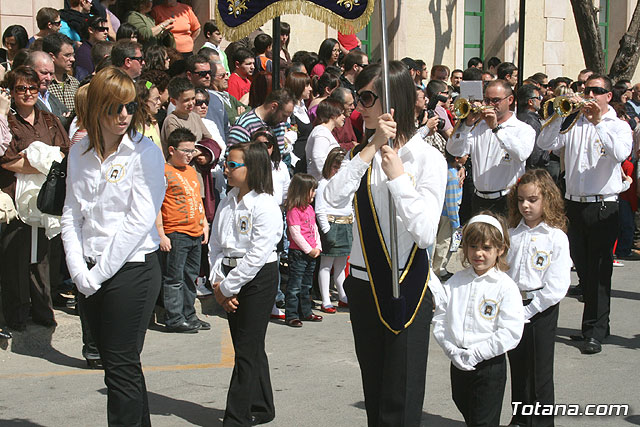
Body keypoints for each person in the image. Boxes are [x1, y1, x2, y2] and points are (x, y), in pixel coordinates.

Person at [324, 61, 447, 426]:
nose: (358, 106)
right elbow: (330, 200)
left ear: (395, 101)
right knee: (376, 392)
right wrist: (370, 150)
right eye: (358, 97)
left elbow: (425, 232)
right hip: (363, 284)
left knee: (401, 395)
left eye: (366, 97)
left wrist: (398, 179)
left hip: (405, 284)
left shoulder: (428, 160)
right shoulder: (361, 156)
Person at [61, 66, 165, 425]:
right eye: (114, 107)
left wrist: (98, 274)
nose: (123, 115)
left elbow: (139, 221)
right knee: (119, 367)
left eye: (130, 107)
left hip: (132, 269)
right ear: (97, 108)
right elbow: (71, 215)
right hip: (88, 270)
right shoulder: (78, 154)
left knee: (119, 367)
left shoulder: (145, 153)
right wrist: (78, 271)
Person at [537, 74, 632, 354]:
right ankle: (599, 323)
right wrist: (558, 115)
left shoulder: (618, 126)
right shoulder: (573, 121)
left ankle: (593, 330)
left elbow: (619, 153)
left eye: (595, 90)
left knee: (600, 269)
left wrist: (597, 123)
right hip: (574, 204)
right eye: (585, 89)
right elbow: (545, 144)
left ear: (608, 96)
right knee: (583, 267)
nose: (588, 94)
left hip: (604, 204)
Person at [209, 141, 282, 426]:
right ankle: (262, 406)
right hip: (228, 275)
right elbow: (216, 246)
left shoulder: (265, 205)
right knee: (247, 345)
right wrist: (218, 282)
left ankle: (236, 418)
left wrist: (226, 289)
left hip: (257, 278)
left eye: (232, 164)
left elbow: (256, 255)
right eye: (226, 163)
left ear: (251, 169)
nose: (226, 169)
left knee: (246, 349)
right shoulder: (228, 200)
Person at [431, 212, 524, 427]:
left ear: (500, 250)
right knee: (466, 407)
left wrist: (477, 354)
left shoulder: (505, 286)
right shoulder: (455, 282)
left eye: (486, 248)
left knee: (483, 420)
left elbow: (510, 331)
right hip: (459, 360)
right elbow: (441, 318)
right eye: (473, 247)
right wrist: (450, 349)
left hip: (488, 364)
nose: (478, 253)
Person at [0, 66, 70, 332]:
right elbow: (7, 160)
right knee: (14, 256)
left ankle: (42, 309)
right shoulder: (6, 119)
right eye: (21, 88)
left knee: (42, 257)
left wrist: (43, 164)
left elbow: (63, 152)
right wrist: (41, 164)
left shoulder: (49, 119)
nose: (28, 93)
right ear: (12, 91)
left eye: (32, 87)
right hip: (14, 196)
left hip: (44, 198)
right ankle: (16, 315)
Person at [506, 168, 571, 427]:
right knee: (518, 368)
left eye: (532, 200)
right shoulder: (512, 233)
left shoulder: (555, 237)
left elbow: (557, 285)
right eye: (521, 199)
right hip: (513, 307)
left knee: (540, 373)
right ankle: (520, 418)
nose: (525, 205)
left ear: (547, 199)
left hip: (541, 309)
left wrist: (528, 312)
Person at [447, 79, 535, 216]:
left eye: (495, 100)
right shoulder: (477, 127)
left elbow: (521, 154)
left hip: (507, 200)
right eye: (487, 100)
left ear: (510, 99)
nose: (490, 105)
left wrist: (496, 128)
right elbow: (454, 151)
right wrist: (467, 125)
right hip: (479, 200)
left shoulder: (523, 129)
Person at [156, 127, 210, 333]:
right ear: (171, 150)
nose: (190, 155)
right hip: (176, 232)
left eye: (192, 150)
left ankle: (189, 314)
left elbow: (197, 199)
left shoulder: (190, 171)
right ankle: (175, 318)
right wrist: (161, 234)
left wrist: (204, 223)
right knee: (174, 278)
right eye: (185, 151)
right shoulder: (164, 171)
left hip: (195, 231)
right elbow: (157, 206)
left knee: (190, 277)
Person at [251, 128, 289, 317]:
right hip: (253, 219)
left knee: (274, 261)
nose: (263, 148)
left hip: (275, 219)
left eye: (267, 145)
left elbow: (286, 193)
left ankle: (273, 302)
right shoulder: (248, 165)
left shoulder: (280, 167)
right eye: (258, 144)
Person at [315, 147, 352, 312]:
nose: (337, 171)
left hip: (347, 225)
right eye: (335, 167)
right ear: (329, 165)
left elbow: (350, 205)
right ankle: (325, 299)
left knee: (341, 265)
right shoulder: (324, 183)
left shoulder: (347, 184)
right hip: (331, 224)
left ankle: (343, 296)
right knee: (326, 265)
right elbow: (320, 210)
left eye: (340, 167)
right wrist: (326, 229)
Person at [284, 173, 322, 327]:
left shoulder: (309, 209)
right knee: (295, 286)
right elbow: (295, 234)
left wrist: (318, 247)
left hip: (311, 251)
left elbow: (314, 229)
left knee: (307, 285)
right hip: (299, 253)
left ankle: (305, 312)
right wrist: (308, 250)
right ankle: (291, 314)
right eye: (311, 190)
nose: (314, 193)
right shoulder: (294, 210)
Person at [432, 150, 467, 281]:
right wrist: (455, 222)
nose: (467, 156)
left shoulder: (446, 170)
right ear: (457, 158)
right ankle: (439, 269)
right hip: (448, 214)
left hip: (441, 212)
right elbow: (451, 201)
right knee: (444, 242)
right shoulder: (453, 177)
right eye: (465, 154)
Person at [228, 89, 294, 156]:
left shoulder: (279, 124)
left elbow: (278, 157)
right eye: (284, 115)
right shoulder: (245, 125)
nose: (285, 121)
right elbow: (232, 157)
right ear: (274, 106)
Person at [161, 77, 212, 154]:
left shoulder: (195, 117)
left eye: (193, 98)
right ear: (173, 101)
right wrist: (202, 151)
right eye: (186, 100)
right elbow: (180, 151)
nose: (191, 103)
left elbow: (210, 140)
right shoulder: (172, 121)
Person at [305, 98, 344, 180]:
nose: (344, 117)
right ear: (333, 115)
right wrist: (330, 178)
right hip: (320, 183)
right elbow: (318, 158)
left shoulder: (324, 132)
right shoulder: (321, 132)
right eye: (341, 114)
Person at [42, 33, 79, 114]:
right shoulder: (42, 85)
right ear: (52, 56)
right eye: (67, 55)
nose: (72, 59)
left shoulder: (75, 83)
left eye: (73, 55)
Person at [75, 16, 110, 81]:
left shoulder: (103, 47)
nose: (106, 32)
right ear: (91, 30)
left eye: (107, 29)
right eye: (101, 29)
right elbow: (84, 78)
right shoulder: (83, 52)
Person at [135, 79, 163, 149]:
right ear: (143, 101)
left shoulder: (154, 123)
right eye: (156, 99)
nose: (159, 102)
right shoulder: (133, 126)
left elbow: (160, 152)